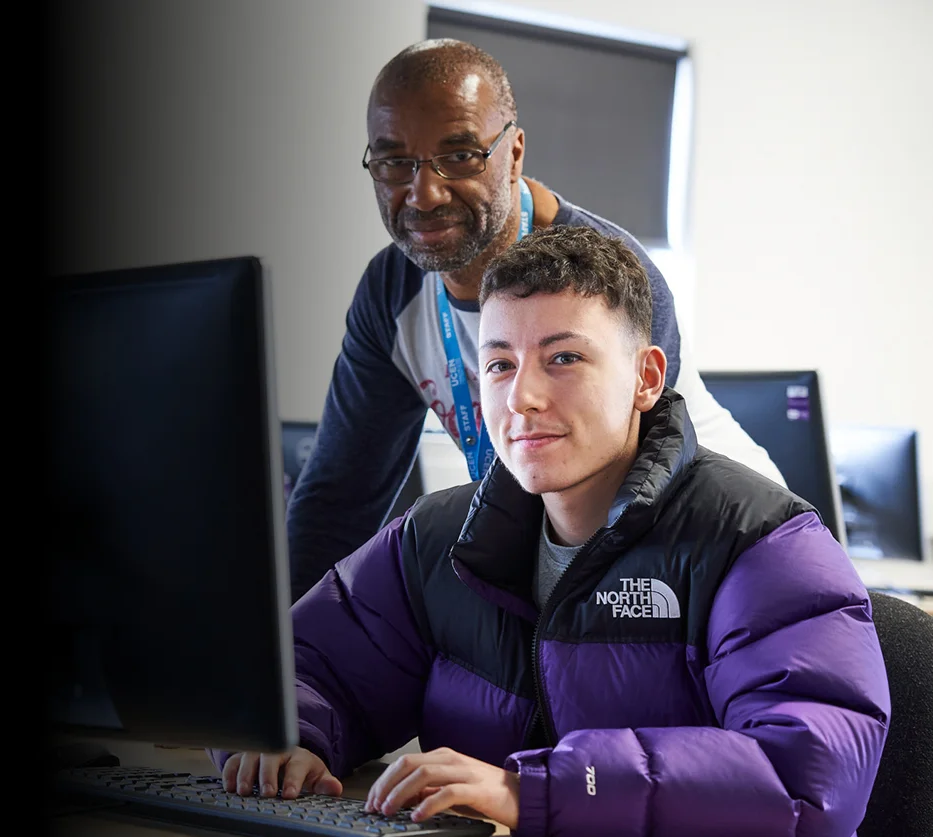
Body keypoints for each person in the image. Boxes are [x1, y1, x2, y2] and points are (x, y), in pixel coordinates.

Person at [212, 225, 889, 835]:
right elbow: (303, 671)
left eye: (563, 358)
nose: (522, 397)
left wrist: (539, 789)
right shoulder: (436, 540)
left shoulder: (762, 542)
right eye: (500, 364)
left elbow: (807, 778)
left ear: (645, 377)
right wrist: (284, 739)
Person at [286, 38, 785, 601]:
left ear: (514, 153)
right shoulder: (391, 291)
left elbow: (623, 503)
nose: (422, 194)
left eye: (459, 155)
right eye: (394, 162)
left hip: (723, 553)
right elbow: (338, 500)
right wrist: (286, 655)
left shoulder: (604, 272)